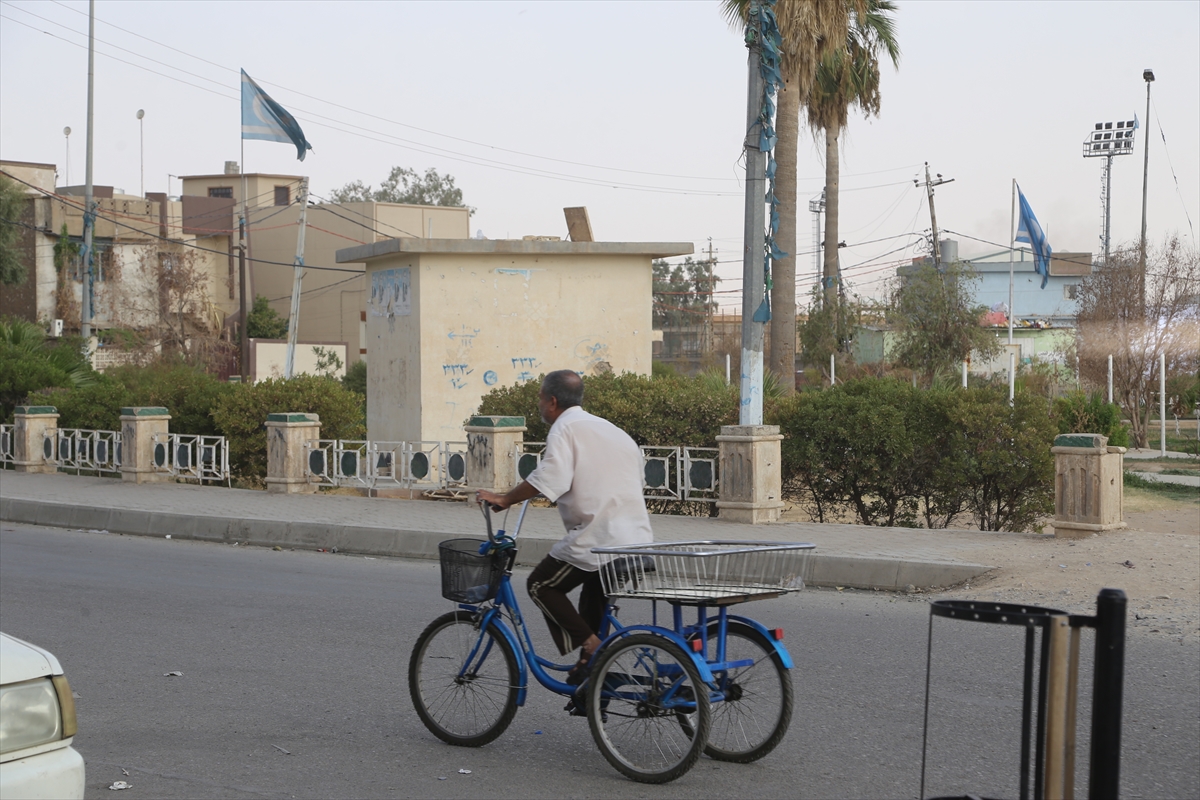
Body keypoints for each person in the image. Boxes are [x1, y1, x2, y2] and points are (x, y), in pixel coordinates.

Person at [476, 369, 652, 680]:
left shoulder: (564, 429)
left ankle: (595, 649)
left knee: (541, 585)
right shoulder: (611, 429)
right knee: (592, 597)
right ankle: (591, 675)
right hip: (635, 538)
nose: (539, 406)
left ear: (552, 402)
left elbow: (551, 478)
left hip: (598, 538)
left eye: (540, 400)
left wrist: (505, 499)